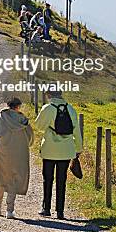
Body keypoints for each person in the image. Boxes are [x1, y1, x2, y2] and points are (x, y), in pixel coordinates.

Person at [34, 89, 83, 219]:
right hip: (66, 150)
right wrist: (78, 149)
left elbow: (38, 126)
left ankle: (46, 208)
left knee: (47, 179)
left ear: (48, 95)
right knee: (62, 180)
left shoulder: (48, 108)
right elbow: (76, 131)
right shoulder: (71, 109)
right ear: (61, 94)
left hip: (49, 149)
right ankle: (60, 211)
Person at [0, 97, 33, 219]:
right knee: (13, 180)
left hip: (2, 153)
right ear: (19, 106)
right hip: (19, 154)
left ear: (7, 104)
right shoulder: (23, 120)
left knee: (0, 179)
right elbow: (31, 140)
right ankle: (10, 210)